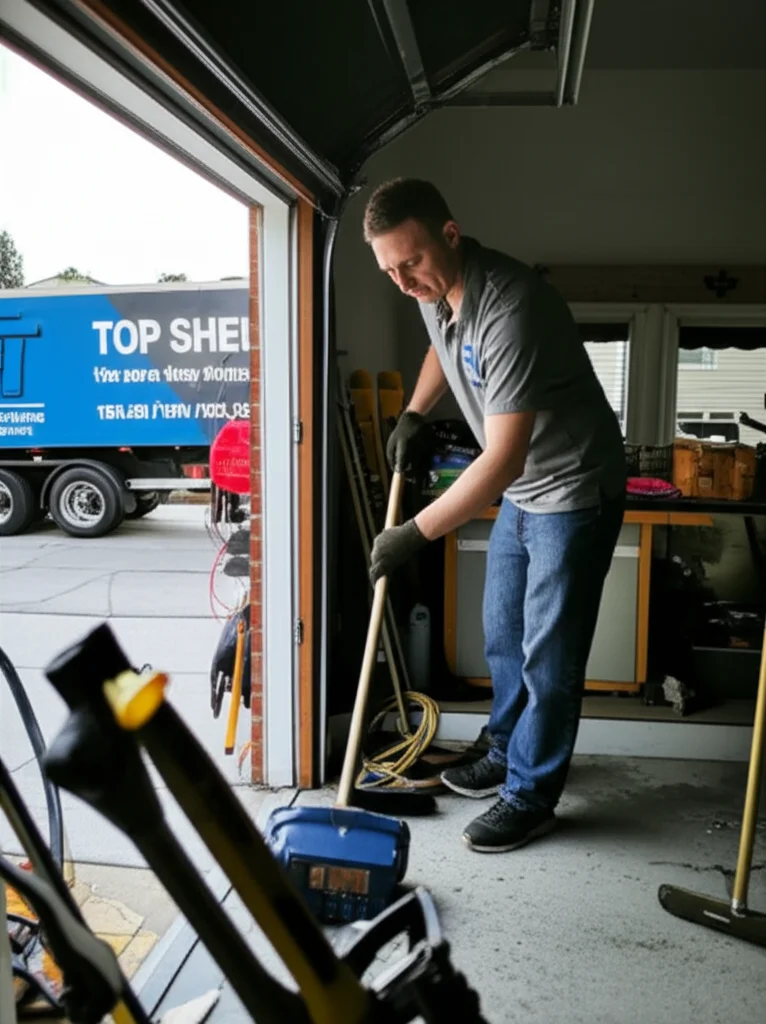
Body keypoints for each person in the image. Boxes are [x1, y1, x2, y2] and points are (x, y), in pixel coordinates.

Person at [364, 178, 626, 854]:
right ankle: (506, 747)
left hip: (571, 489)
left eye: (411, 261)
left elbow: (501, 460)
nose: (403, 281)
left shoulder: (512, 307)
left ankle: (531, 794)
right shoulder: (435, 288)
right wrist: (418, 410)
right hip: (524, 489)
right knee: (501, 634)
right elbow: (438, 348)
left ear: (450, 235)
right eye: (389, 269)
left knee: (549, 655)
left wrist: (411, 534)